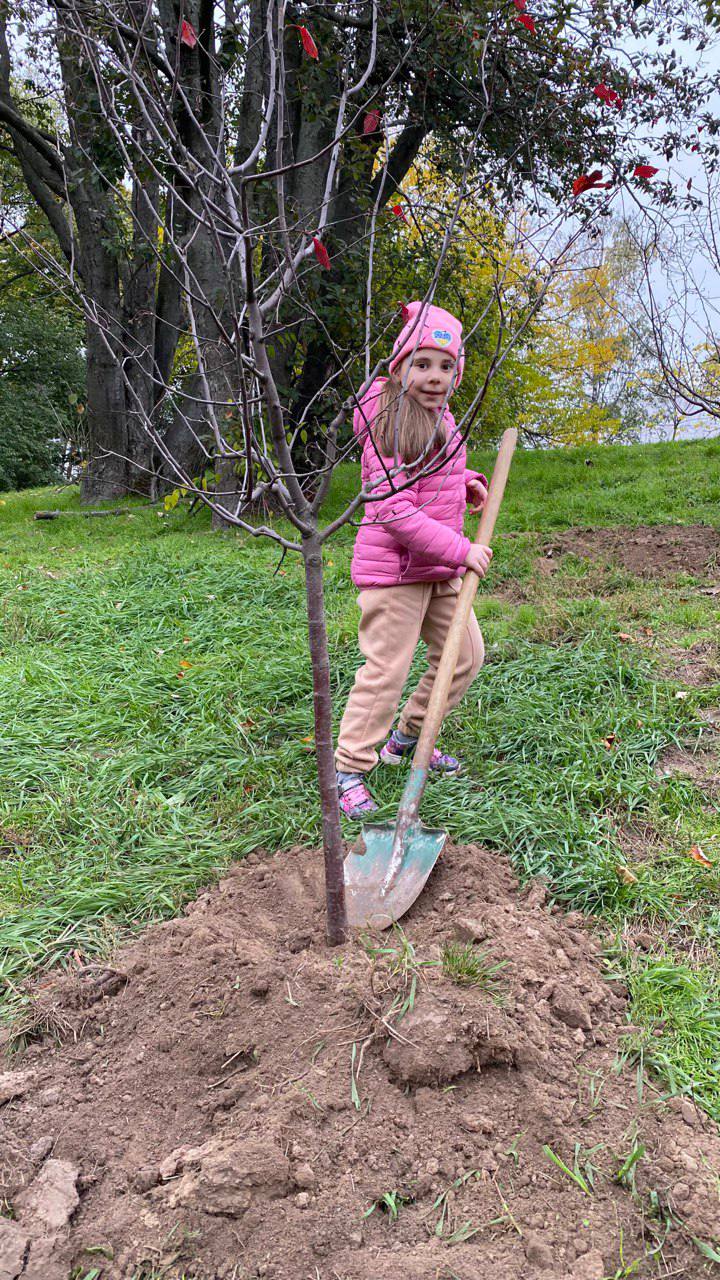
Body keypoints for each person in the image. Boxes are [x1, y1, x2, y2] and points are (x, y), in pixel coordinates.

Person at [335, 300, 493, 820]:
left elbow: (432, 479)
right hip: (395, 573)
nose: (435, 377)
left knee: (464, 656)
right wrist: (462, 551)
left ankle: (407, 738)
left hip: (437, 569)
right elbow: (394, 511)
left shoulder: (440, 416)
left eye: (446, 366)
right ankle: (348, 768)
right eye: (422, 364)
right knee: (387, 671)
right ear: (400, 367)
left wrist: (465, 484)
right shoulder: (389, 424)